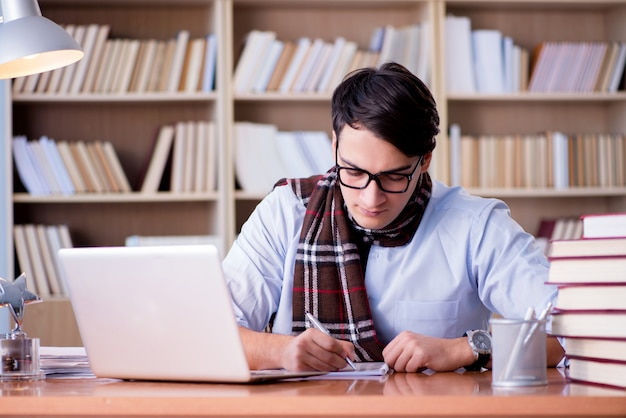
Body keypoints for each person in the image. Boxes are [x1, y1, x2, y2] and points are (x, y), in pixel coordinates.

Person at [222, 62, 565, 373]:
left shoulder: (478, 226)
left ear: (425, 161)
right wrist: (279, 352)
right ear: (334, 147)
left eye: (394, 176)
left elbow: (572, 336)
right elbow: (208, 331)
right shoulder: (284, 211)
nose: (371, 198)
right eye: (354, 172)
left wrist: (469, 348)